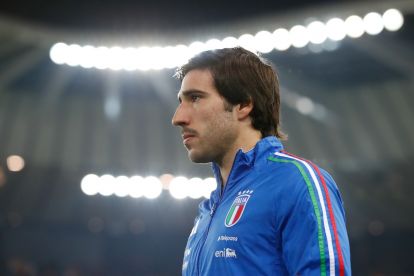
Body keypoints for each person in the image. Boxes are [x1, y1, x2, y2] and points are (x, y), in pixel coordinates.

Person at [172, 47, 351, 275]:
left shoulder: (297, 182)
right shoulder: (208, 210)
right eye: (181, 101)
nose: (177, 118)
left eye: (195, 98)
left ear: (244, 105)